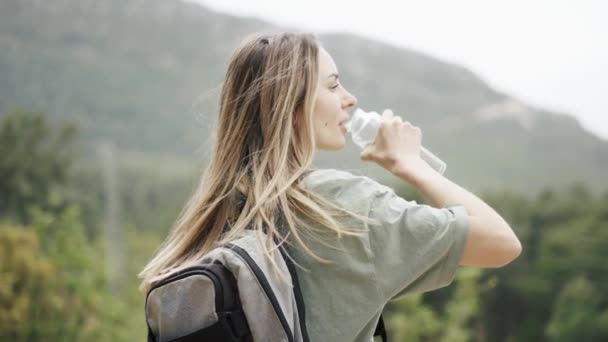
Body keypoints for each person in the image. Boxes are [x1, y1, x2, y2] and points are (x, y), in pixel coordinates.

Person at [139, 32, 522, 342]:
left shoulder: (215, 218)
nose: (349, 99)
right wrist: (414, 166)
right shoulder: (340, 208)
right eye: (334, 86)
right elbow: (501, 241)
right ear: (293, 105)